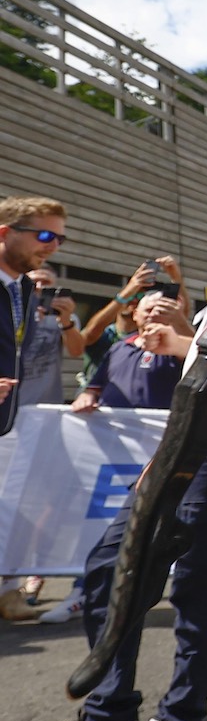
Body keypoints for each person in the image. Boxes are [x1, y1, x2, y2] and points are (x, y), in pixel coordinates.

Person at [19, 172, 207, 721]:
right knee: (107, 568)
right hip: (187, 449)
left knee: (197, 588)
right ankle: (110, 715)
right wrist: (182, 347)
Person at [0, 198, 70, 622]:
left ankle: (7, 590)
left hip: (9, 420)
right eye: (45, 236)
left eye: (60, 237)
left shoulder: (23, 289)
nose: (53, 247)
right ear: (5, 232)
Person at [70, 291, 186, 414]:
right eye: (148, 310)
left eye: (160, 311)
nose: (153, 315)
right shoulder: (118, 347)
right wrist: (86, 396)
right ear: (135, 314)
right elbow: (94, 387)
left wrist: (180, 322)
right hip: (110, 428)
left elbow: (196, 349)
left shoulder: (176, 347)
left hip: (156, 429)